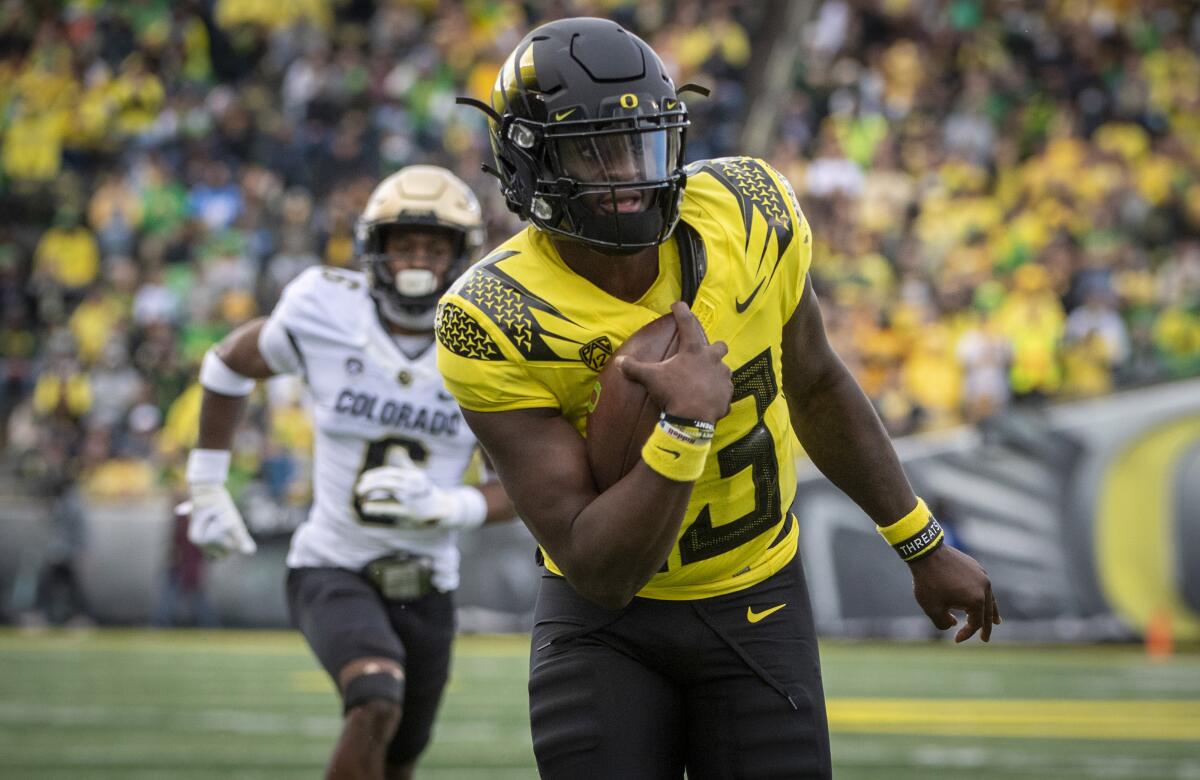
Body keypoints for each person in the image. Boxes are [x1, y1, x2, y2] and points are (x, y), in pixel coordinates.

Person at [438, 18, 1000, 779]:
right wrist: (684, 425)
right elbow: (597, 568)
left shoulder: (749, 207)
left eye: (644, 142)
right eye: (597, 151)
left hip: (760, 599)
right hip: (605, 628)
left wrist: (920, 541)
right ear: (528, 165)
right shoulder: (490, 316)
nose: (631, 174)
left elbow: (817, 380)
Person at [181, 165, 514, 780]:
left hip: (428, 584)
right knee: (375, 699)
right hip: (334, 565)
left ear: (461, 257)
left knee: (398, 759)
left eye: (434, 247)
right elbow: (228, 363)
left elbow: (521, 486)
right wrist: (205, 484)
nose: (418, 260)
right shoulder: (326, 310)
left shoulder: (490, 339)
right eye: (404, 244)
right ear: (374, 250)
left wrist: (450, 507)